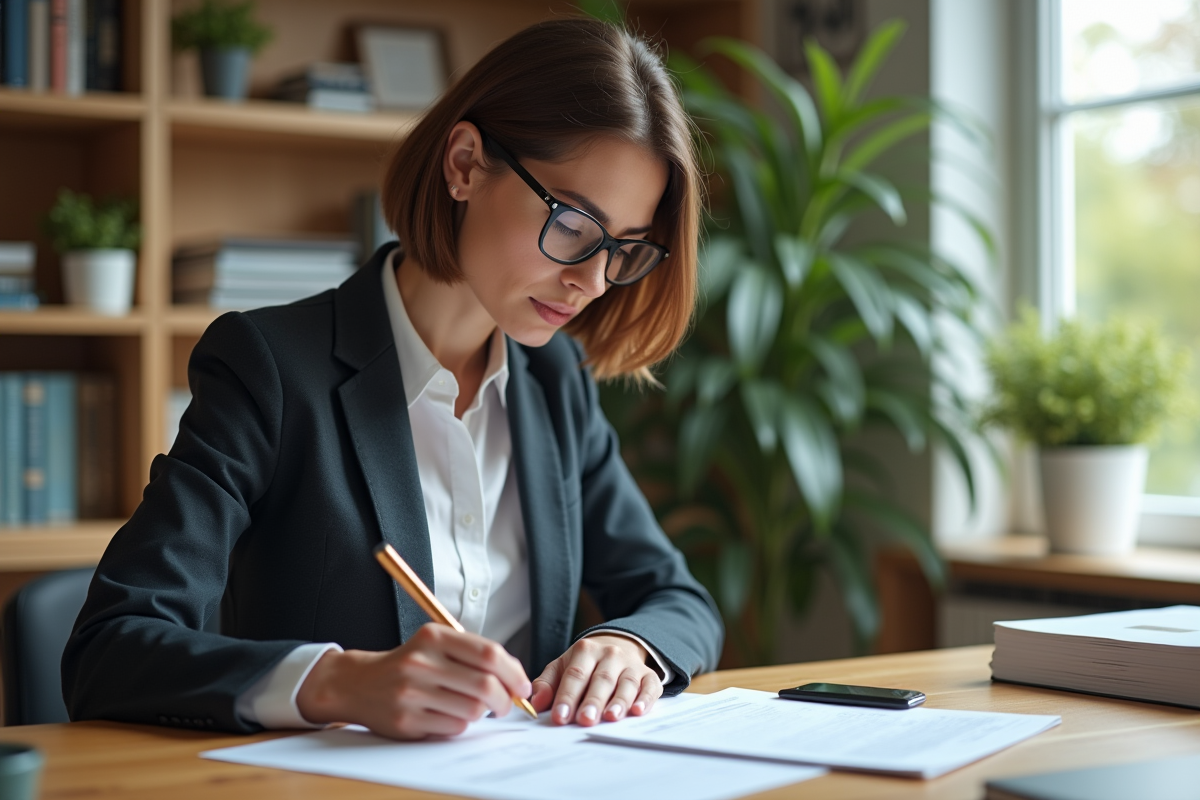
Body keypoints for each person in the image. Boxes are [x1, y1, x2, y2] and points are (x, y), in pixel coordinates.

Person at [62, 17, 723, 740]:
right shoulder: (269, 368)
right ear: (465, 165)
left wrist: (630, 645)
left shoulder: (553, 380)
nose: (593, 281)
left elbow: (677, 599)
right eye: (572, 225)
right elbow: (109, 648)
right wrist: (336, 682)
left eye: (625, 249)